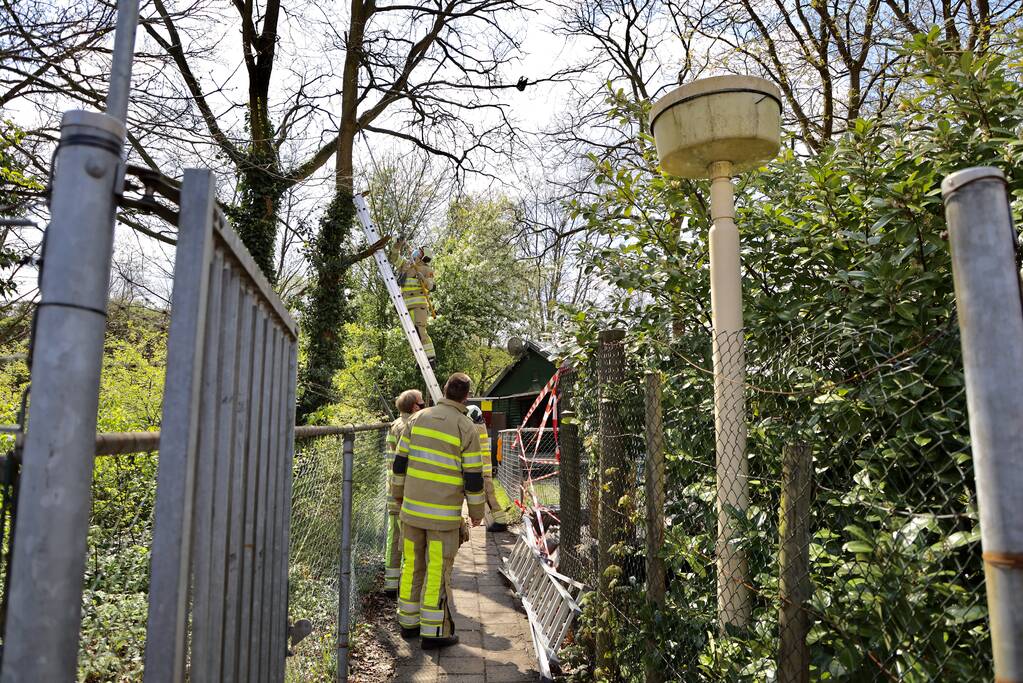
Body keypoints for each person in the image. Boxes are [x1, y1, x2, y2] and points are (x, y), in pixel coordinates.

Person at [391, 373, 485, 648]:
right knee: (437, 570)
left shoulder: (417, 419)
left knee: (411, 565)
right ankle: (433, 633)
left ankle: (408, 623)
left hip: (411, 513)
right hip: (442, 519)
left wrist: (398, 496)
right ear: (466, 396)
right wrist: (477, 512)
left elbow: (400, 463)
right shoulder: (466, 427)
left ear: (444, 390)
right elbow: (474, 477)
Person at [383, 389, 426, 596]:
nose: (424, 405)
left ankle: (391, 583)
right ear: (413, 407)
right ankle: (407, 586)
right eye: (421, 402)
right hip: (405, 493)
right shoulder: (411, 426)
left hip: (392, 490)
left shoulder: (395, 425)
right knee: (410, 541)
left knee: (394, 538)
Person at [466, 405, 511, 532]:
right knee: (487, 496)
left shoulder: (476, 427)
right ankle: (495, 519)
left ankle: (500, 522)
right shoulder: (480, 426)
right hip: (483, 468)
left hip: (482, 470)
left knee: (489, 497)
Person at [396, 246, 436, 363]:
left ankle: (431, 359)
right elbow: (393, 258)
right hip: (405, 308)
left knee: (420, 332)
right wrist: (396, 245)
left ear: (423, 257)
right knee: (412, 336)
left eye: (419, 252)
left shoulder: (427, 270)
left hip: (419, 307)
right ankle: (420, 360)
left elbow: (432, 286)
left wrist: (423, 278)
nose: (415, 252)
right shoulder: (406, 265)